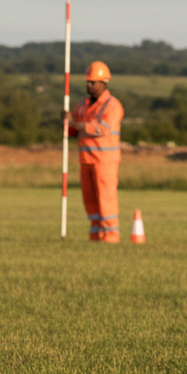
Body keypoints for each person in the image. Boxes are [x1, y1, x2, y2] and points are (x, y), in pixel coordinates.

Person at [64, 61, 124, 243]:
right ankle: (96, 234)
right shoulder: (82, 105)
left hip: (105, 160)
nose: (88, 85)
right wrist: (66, 122)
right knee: (90, 200)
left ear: (103, 82)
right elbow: (72, 132)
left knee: (106, 198)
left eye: (93, 82)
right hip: (85, 159)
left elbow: (102, 129)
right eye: (87, 82)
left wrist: (76, 124)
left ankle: (111, 235)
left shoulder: (113, 105)